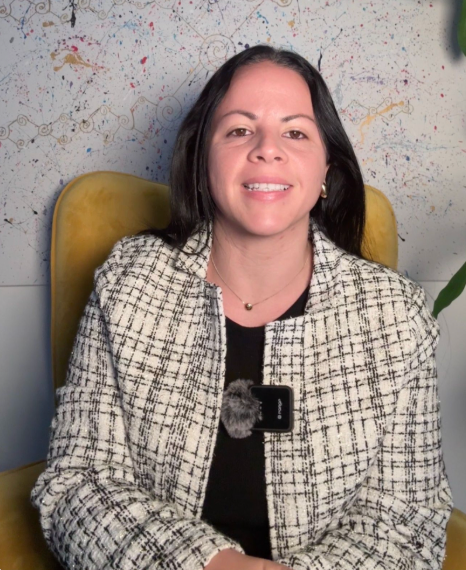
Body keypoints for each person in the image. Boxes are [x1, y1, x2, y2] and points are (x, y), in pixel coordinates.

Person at [31, 44, 454, 570]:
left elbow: (409, 524)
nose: (266, 149)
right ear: (203, 160)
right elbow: (77, 483)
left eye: (295, 133)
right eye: (238, 130)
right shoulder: (128, 283)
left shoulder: (396, 317)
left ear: (327, 168)